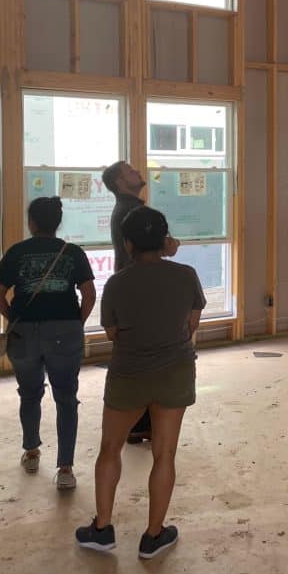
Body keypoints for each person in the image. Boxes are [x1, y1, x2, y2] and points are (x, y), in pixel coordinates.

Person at [75, 206, 205, 558]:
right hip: (175, 371)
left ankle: (101, 529)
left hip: (128, 373)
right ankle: (153, 535)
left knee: (110, 450)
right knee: (164, 454)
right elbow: (191, 325)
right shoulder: (186, 275)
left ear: (128, 244)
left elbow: (113, 332)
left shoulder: (117, 283)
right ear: (164, 240)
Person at [0, 196, 95, 490]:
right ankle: (65, 469)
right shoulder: (72, 253)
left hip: (23, 333)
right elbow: (89, 294)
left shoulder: (17, 252)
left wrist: (15, 318)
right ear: (57, 223)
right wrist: (76, 323)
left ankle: (32, 452)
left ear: (31, 222)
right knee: (66, 398)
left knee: (29, 393)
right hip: (65, 331)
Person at [101, 160, 181, 444]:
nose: (137, 172)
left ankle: (139, 424)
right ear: (121, 183)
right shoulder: (134, 212)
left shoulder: (123, 209)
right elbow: (169, 247)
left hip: (131, 292)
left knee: (138, 353)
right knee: (152, 355)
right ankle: (144, 423)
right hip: (143, 291)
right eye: (130, 171)